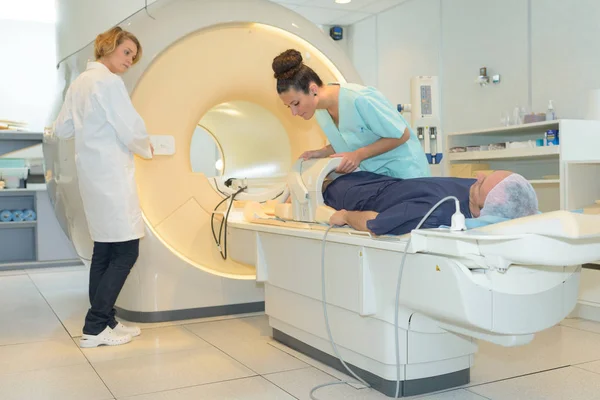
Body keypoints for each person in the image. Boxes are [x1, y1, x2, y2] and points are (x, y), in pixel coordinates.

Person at [54, 26, 153, 348]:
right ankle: (96, 326)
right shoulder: (108, 82)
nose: (129, 61)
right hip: (110, 175)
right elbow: (130, 128)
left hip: (93, 177)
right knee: (126, 250)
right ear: (108, 47)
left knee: (105, 250)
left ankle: (105, 320)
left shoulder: (80, 83)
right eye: (126, 52)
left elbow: (62, 130)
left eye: (133, 57)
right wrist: (147, 146)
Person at [272, 49, 430, 179]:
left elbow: (402, 134)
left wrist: (358, 155)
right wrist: (322, 152)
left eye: (296, 103)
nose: (294, 112)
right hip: (380, 179)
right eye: (289, 107)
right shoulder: (320, 111)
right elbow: (351, 139)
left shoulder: (359, 98)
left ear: (313, 89)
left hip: (408, 174)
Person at [324, 170, 538, 236]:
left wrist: (344, 216)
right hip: (376, 181)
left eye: (481, 183)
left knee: (316, 186)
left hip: (354, 196)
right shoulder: (484, 193)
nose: (477, 176)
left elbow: (374, 222)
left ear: (484, 212)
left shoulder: (436, 212)